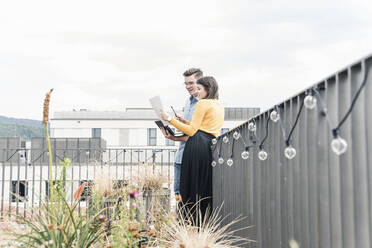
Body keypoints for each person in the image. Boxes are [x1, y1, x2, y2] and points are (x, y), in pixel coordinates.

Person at [161, 76, 224, 220]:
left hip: (196, 146)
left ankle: (188, 220)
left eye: (200, 89)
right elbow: (206, 127)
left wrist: (169, 119)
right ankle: (204, 220)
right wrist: (185, 121)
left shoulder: (202, 103)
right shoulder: (218, 105)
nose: (197, 92)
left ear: (208, 89)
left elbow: (192, 131)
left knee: (189, 184)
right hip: (209, 146)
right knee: (202, 184)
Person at [160, 68, 203, 202]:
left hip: (191, 155)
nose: (188, 87)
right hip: (181, 154)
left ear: (200, 82)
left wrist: (173, 137)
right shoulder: (188, 101)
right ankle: (181, 221)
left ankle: (187, 221)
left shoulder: (202, 104)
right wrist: (181, 122)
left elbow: (195, 134)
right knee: (178, 192)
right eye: (186, 83)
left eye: (191, 83)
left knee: (188, 196)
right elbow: (188, 127)